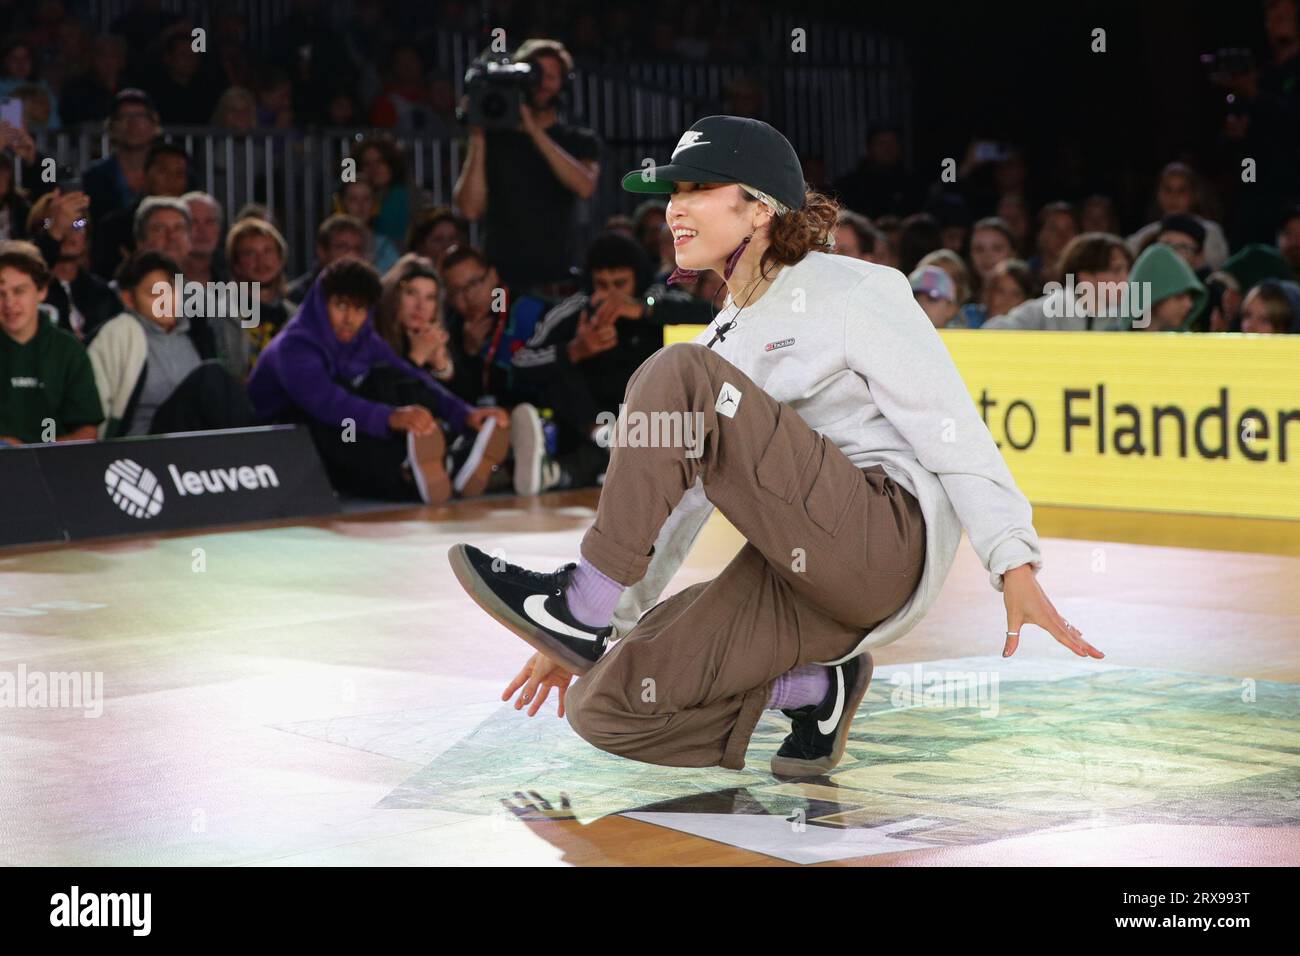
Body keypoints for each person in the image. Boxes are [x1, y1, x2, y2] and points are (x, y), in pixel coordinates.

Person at [447, 115, 1101, 778]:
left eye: (697, 187)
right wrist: (600, 627)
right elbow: (674, 513)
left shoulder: (856, 288)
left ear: (759, 209)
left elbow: (950, 423)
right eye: (671, 193)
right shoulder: (716, 345)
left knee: (675, 371)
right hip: (799, 578)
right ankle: (819, 690)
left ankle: (577, 603)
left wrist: (1012, 561)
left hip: (879, 543)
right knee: (607, 704)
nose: (673, 206)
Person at [246, 257, 513, 504]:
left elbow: (412, 376)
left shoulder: (364, 338)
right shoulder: (294, 345)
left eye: (359, 309)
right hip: (276, 445)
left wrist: (464, 414)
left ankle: (440, 462)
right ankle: (419, 470)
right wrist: (390, 417)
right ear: (320, 302)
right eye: (341, 306)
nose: (350, 319)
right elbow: (328, 403)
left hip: (329, 434)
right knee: (336, 421)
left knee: (391, 379)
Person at [510, 231, 717, 493]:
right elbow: (520, 363)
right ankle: (604, 445)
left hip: (651, 421)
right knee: (559, 370)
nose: (611, 294)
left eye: (620, 284)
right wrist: (575, 350)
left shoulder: (658, 296)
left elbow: (713, 318)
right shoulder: (574, 308)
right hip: (591, 424)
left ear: (637, 279)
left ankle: (561, 472)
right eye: (602, 285)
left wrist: (643, 310)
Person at [452, 38, 601, 294]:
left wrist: (532, 129)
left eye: (551, 76)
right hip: (503, 284)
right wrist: (478, 134)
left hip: (559, 280)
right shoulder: (494, 141)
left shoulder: (579, 141)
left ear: (564, 83)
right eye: (534, 74)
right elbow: (469, 209)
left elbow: (585, 186)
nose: (542, 84)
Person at [87, 250, 255, 437]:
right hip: (144, 444)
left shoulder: (198, 333)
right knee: (210, 375)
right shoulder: (118, 334)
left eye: (171, 290)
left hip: (199, 442)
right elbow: (96, 411)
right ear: (129, 299)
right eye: (154, 293)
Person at [0, 240, 102, 445]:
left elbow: (88, 431)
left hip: (55, 468)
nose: (9, 303)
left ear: (42, 291)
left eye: (19, 291)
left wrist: (30, 453)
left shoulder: (69, 350)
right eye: (1, 294)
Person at [26, 191, 122, 342]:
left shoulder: (103, 294)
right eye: (53, 222)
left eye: (78, 224)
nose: (69, 232)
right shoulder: (26, 288)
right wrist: (53, 234)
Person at [286, 214, 367, 305]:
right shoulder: (298, 295)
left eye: (357, 248)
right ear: (322, 251)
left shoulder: (368, 293)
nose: (352, 255)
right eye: (342, 247)